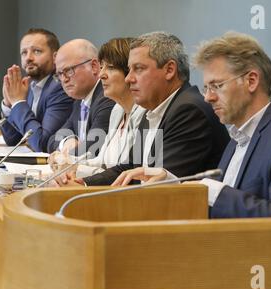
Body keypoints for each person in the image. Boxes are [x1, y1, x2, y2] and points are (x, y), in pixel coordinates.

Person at [117, 32, 271, 253]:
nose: (208, 97)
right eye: (206, 88)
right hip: (220, 258)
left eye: (217, 86)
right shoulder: (237, 138)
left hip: (257, 277)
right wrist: (175, 184)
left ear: (251, 81)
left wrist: (211, 190)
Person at [61, 31, 229, 186]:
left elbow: (158, 186)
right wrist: (82, 183)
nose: (128, 78)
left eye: (138, 69)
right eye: (129, 69)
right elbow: (129, 168)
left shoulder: (188, 111)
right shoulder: (152, 109)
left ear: (169, 70)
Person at [49, 37, 146, 178]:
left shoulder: (145, 115)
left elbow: (129, 175)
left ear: (130, 74)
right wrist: (68, 162)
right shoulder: (117, 111)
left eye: (110, 68)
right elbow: (101, 162)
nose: (102, 74)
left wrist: (74, 168)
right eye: (59, 74)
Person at [0, 28, 74, 152]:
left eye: (37, 51)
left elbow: (42, 143)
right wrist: (8, 104)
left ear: (55, 56)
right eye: (24, 52)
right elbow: (12, 139)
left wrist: (18, 103)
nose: (28, 58)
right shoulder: (28, 87)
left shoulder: (61, 88)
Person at [47, 39, 115, 156]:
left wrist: (64, 156)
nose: (64, 79)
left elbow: (91, 150)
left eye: (68, 70)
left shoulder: (107, 97)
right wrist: (67, 141)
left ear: (94, 66)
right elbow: (51, 140)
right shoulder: (79, 101)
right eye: (59, 74)